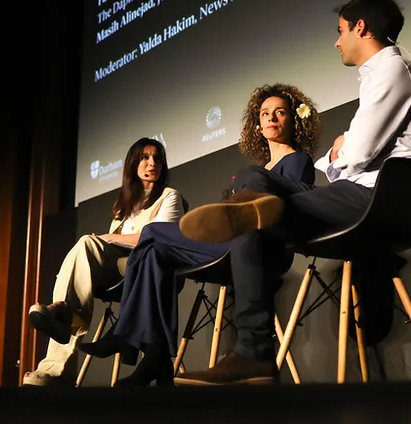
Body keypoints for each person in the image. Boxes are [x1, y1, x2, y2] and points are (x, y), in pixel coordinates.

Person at [174, 0, 411, 386]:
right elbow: (350, 152)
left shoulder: (391, 69)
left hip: (372, 201)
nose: (337, 41)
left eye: (341, 30)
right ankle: (250, 207)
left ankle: (253, 353)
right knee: (254, 180)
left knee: (253, 205)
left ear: (361, 27)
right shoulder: (381, 75)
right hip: (351, 194)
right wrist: (340, 151)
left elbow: (359, 151)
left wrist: (338, 152)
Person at [77, 83, 322, 387]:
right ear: (257, 126)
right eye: (265, 113)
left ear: (292, 120)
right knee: (153, 251)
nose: (272, 118)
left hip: (259, 249)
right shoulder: (258, 169)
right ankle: (155, 358)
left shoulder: (298, 160)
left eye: (280, 112)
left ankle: (126, 333)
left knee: (152, 231)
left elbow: (282, 214)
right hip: (232, 245)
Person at [23, 137, 185, 387]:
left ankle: (60, 316)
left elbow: (160, 238)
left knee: (90, 242)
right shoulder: (124, 206)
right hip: (119, 273)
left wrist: (111, 237)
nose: (152, 163)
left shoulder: (169, 196)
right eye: (145, 157)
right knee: (85, 248)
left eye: (157, 159)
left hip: (149, 270)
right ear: (133, 164)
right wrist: (109, 240)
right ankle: (56, 348)